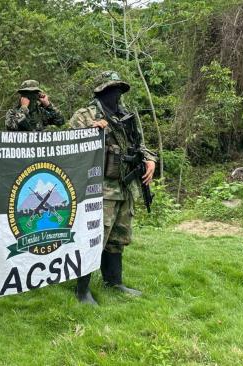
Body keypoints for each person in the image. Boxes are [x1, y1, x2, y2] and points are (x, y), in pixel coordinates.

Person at [68, 71, 157, 305]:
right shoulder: (85, 115)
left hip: (125, 183)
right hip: (99, 186)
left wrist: (150, 159)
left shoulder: (125, 115)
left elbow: (139, 144)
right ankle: (82, 289)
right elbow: (67, 144)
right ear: (100, 91)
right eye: (111, 89)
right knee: (94, 236)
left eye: (118, 89)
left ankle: (113, 282)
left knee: (118, 235)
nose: (116, 94)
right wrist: (90, 130)